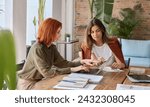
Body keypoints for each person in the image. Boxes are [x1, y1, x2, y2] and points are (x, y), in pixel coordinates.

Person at [17, 18, 92, 90]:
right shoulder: (37, 48)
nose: (60, 35)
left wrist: (81, 62)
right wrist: (73, 69)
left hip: (40, 80)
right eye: (58, 32)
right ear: (49, 32)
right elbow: (47, 73)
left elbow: (63, 63)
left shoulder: (52, 47)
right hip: (28, 84)